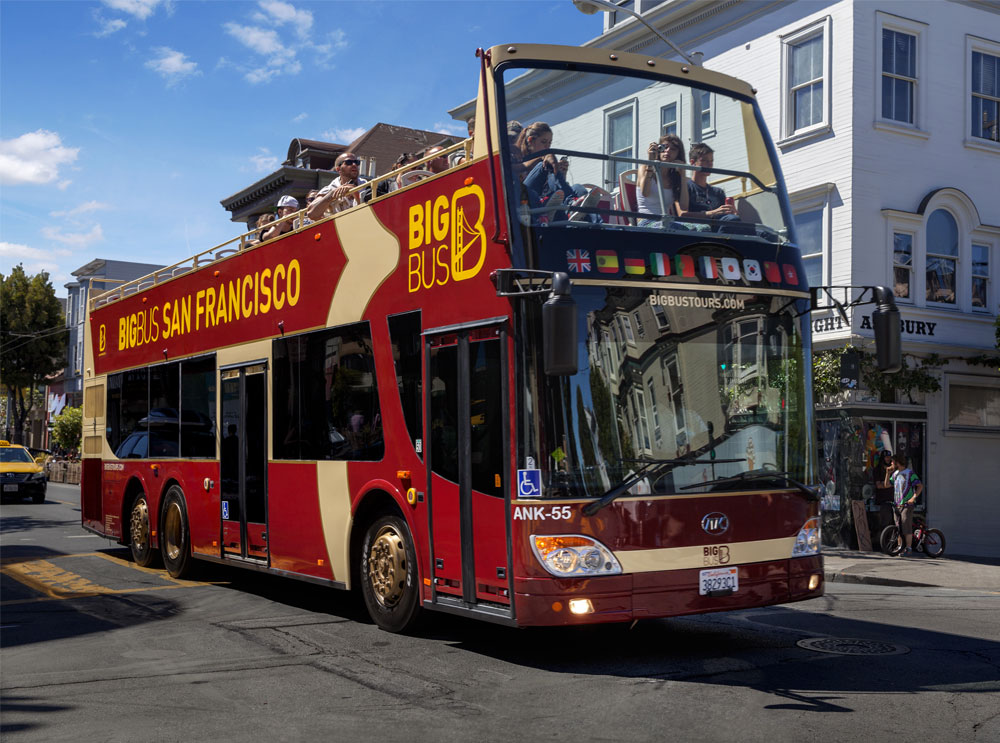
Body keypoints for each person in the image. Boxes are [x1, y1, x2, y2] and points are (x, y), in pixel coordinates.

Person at [676, 142, 738, 226]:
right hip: (699, 230)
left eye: (711, 161)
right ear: (692, 162)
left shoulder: (718, 192)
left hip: (722, 226)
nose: (710, 164)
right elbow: (682, 215)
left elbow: (730, 216)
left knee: (760, 232)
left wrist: (733, 212)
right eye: (704, 160)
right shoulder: (685, 187)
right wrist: (713, 213)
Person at [636, 134, 689, 225]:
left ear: (678, 154)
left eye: (673, 149)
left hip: (666, 221)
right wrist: (650, 162)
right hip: (646, 220)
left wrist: (682, 175)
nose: (667, 151)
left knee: (704, 228)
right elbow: (645, 193)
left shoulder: (674, 177)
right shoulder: (644, 168)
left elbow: (684, 207)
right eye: (665, 147)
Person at [306, 152, 370, 221]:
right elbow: (311, 214)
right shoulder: (330, 188)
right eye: (348, 162)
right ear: (338, 169)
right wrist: (332, 194)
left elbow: (371, 212)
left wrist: (355, 192)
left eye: (356, 162)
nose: (354, 165)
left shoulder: (367, 185)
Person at [884, 452, 923, 556]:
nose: (891, 463)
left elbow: (920, 486)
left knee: (906, 525)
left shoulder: (909, 473)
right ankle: (900, 547)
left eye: (892, 462)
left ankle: (909, 548)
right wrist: (887, 473)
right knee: (898, 526)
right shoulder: (895, 474)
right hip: (897, 504)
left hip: (907, 505)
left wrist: (913, 498)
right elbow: (887, 484)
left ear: (897, 462)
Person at [873, 449, 895, 533]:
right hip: (883, 500)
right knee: (885, 522)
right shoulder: (877, 469)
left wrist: (886, 484)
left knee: (895, 523)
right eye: (886, 457)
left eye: (889, 457)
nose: (888, 459)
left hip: (894, 499)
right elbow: (878, 485)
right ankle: (884, 542)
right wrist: (890, 484)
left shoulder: (894, 470)